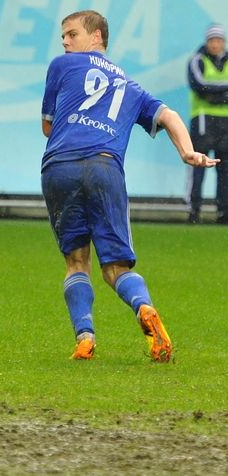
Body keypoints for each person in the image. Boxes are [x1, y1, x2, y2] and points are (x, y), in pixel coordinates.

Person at [40, 11, 218, 362]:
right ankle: (143, 307)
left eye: (72, 34)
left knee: (76, 262)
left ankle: (85, 338)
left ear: (96, 37)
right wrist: (186, 151)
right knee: (116, 269)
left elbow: (48, 127)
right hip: (104, 166)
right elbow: (169, 116)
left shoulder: (62, 66)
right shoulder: (132, 87)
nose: (65, 42)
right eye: (63, 36)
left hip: (60, 167)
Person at [186, 23, 228, 224]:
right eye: (212, 40)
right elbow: (199, 86)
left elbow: (208, 90)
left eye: (219, 40)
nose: (215, 44)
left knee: (225, 169)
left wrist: (214, 96)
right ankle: (194, 211)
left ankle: (223, 212)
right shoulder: (197, 60)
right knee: (198, 165)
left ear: (223, 42)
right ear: (207, 41)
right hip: (203, 121)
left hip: (225, 123)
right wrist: (224, 95)